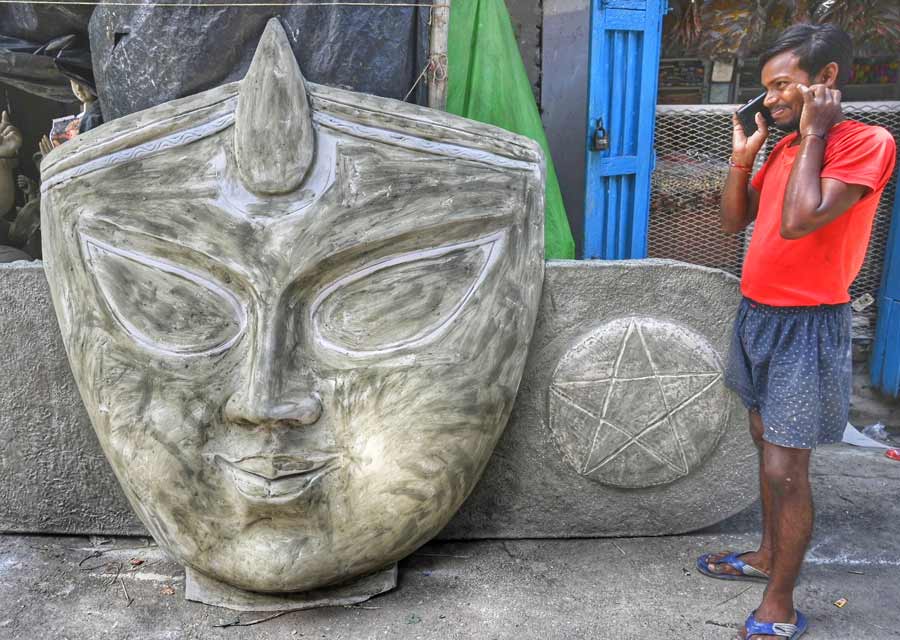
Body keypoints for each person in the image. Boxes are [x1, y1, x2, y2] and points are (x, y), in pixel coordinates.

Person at [697, 24, 896, 640]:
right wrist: (744, 155)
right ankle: (765, 555)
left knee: (787, 468)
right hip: (757, 314)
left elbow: (799, 220)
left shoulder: (865, 143)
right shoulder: (784, 148)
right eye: (767, 88)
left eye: (784, 85)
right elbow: (734, 220)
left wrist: (813, 134)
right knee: (765, 440)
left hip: (808, 324)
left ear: (827, 78)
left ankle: (779, 603)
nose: (772, 99)